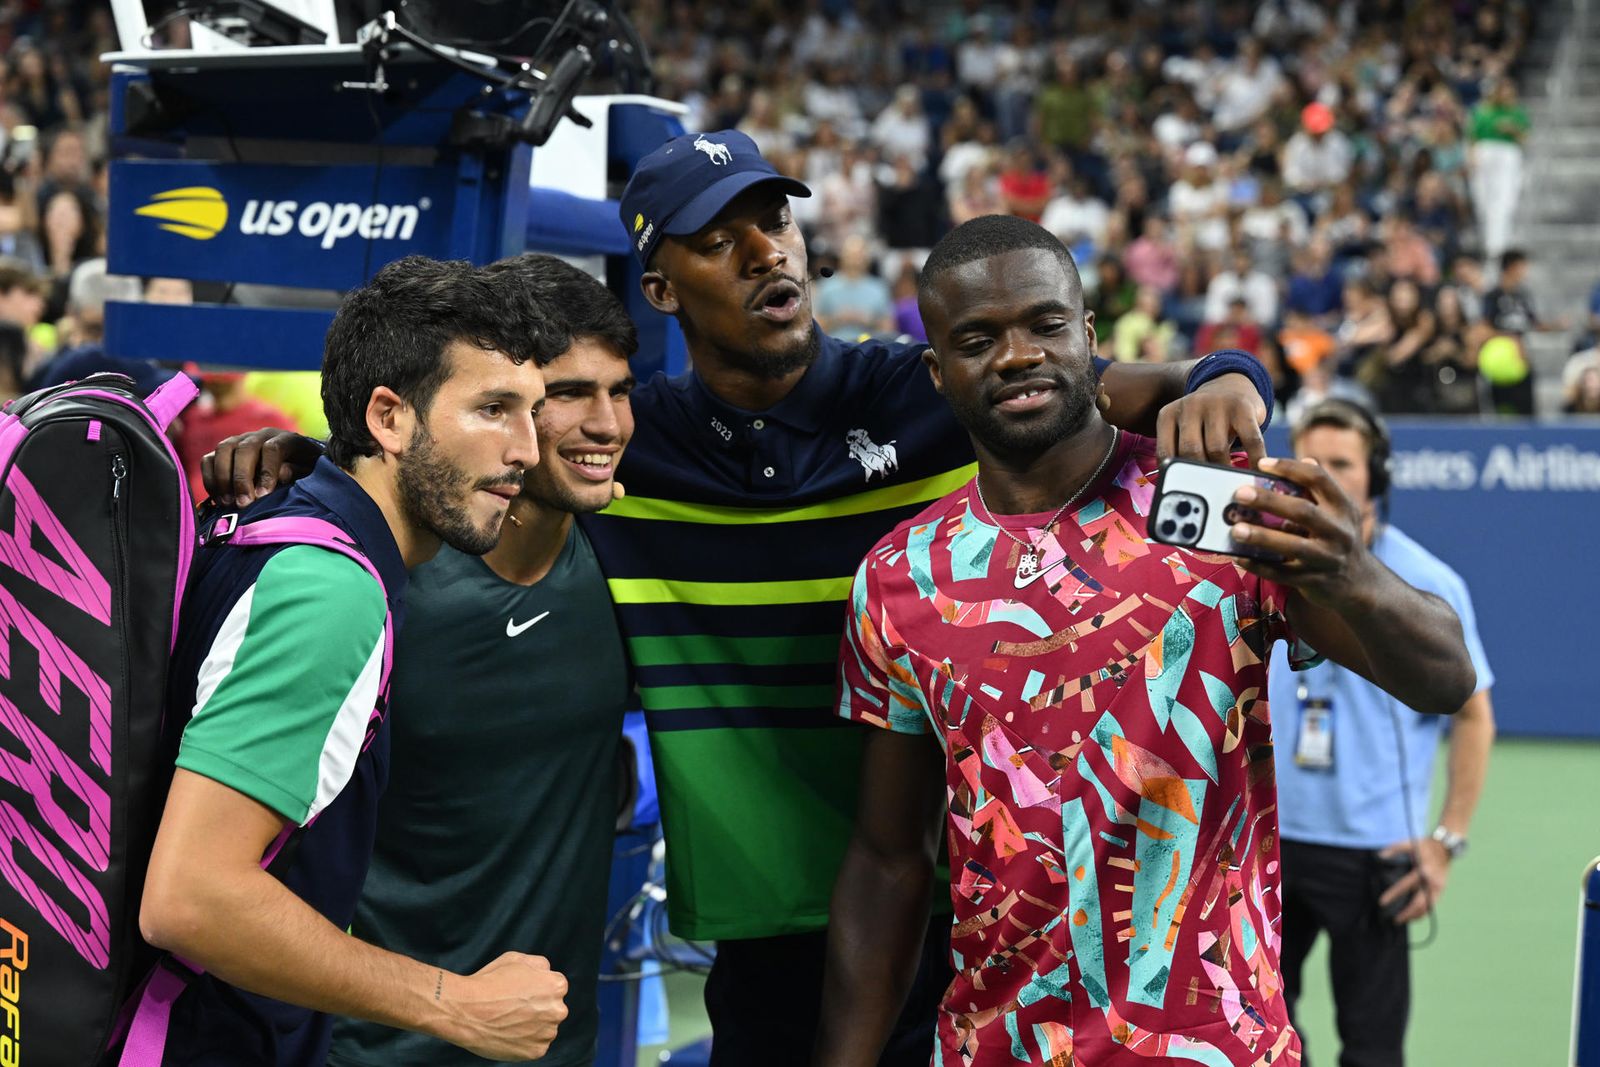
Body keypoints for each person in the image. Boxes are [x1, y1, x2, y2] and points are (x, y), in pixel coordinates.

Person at [206, 128, 1277, 1067]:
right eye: (721, 239)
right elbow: (444, 457)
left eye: (776, 222)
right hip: (764, 936)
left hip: (971, 910)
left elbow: (1123, 381)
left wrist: (1229, 371)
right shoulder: (627, 445)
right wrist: (308, 458)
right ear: (661, 287)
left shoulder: (929, 391)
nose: (767, 250)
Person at [812, 215, 1476, 1066]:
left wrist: (1352, 572)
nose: (1018, 355)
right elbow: (888, 858)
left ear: (1088, 337)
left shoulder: (1222, 511)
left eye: (1045, 325)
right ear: (937, 373)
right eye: (979, 338)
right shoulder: (899, 578)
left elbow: (1445, 676)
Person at [128, 257, 567, 1066]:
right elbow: (191, 897)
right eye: (494, 409)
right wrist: (457, 1003)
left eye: (533, 413)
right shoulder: (332, 591)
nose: (528, 450)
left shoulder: (282, 523)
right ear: (390, 419)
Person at [328, 256, 639, 1067]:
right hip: (375, 1053)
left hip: (556, 1049)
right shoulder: (370, 586)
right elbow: (213, 887)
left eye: (621, 391)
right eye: (567, 394)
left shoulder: (627, 549)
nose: (604, 423)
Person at [1271, 399, 1496, 1067]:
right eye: (1310, 460)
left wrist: (1445, 841)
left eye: (1341, 463)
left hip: (1376, 853)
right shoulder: (1263, 560)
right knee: (1257, 1031)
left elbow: (1475, 714)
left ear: (1378, 477)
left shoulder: (1425, 583)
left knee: (1372, 1050)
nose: (1324, 475)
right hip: (1267, 842)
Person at [1467, 78, 1529, 262]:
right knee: (1483, 201)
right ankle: (1488, 243)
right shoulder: (1482, 111)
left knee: (1504, 201)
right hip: (1485, 153)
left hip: (1507, 154)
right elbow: (1472, 137)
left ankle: (1500, 246)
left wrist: (1512, 129)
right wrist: (1472, 158)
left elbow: (1525, 136)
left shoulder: (1516, 112)